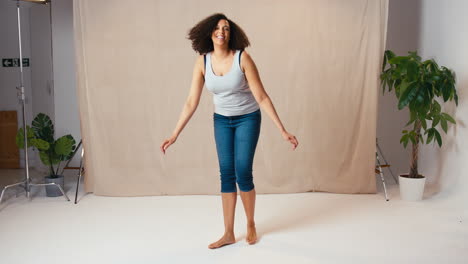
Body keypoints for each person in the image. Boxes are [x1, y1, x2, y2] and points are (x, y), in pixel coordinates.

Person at [160, 13, 298, 249]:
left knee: (243, 170)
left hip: (247, 118)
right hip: (222, 121)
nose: (221, 31)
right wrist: (175, 133)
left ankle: (251, 223)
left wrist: (282, 130)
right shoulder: (202, 62)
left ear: (230, 33)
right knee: (226, 173)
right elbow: (191, 102)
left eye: (226, 28)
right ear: (210, 33)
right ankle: (228, 233)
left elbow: (262, 96)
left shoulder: (242, 58)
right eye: (217, 28)